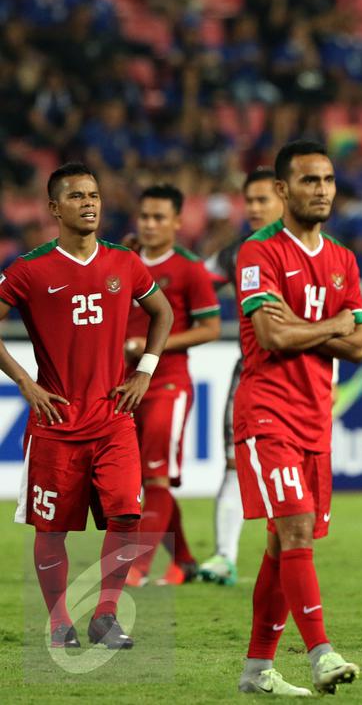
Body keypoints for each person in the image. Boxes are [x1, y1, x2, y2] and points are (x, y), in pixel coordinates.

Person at [0, 162, 173, 649]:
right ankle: (59, 623)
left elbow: (163, 310)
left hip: (113, 418)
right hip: (55, 421)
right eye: (77, 196)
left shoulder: (124, 262)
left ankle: (105, 616)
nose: (90, 203)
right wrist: (24, 382)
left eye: (94, 194)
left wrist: (146, 370)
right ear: (54, 208)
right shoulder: (30, 269)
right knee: (51, 529)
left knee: (127, 515)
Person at [232, 140, 362, 696]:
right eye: (310, 181)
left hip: (316, 416)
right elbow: (271, 335)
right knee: (293, 529)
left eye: (329, 180)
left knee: (281, 543)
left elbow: (359, 345)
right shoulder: (258, 252)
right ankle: (320, 653)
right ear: (284, 190)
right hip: (267, 413)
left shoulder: (343, 259)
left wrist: (321, 330)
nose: (322, 190)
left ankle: (256, 668)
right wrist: (333, 326)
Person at [123, 184, 222, 588]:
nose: (150, 224)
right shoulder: (124, 261)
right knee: (144, 478)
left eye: (159, 217)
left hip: (168, 384)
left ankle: (137, 568)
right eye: (145, 216)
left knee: (157, 477)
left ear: (178, 222)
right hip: (126, 386)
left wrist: (152, 346)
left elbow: (211, 328)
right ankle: (184, 560)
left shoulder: (189, 269)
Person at [199, 167, 284, 587]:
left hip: (301, 374)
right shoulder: (236, 252)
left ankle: (293, 551)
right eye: (248, 200)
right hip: (250, 368)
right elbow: (196, 282)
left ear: (283, 199)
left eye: (262, 200)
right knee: (235, 462)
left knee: (297, 467)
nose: (252, 208)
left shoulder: (312, 249)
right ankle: (224, 556)